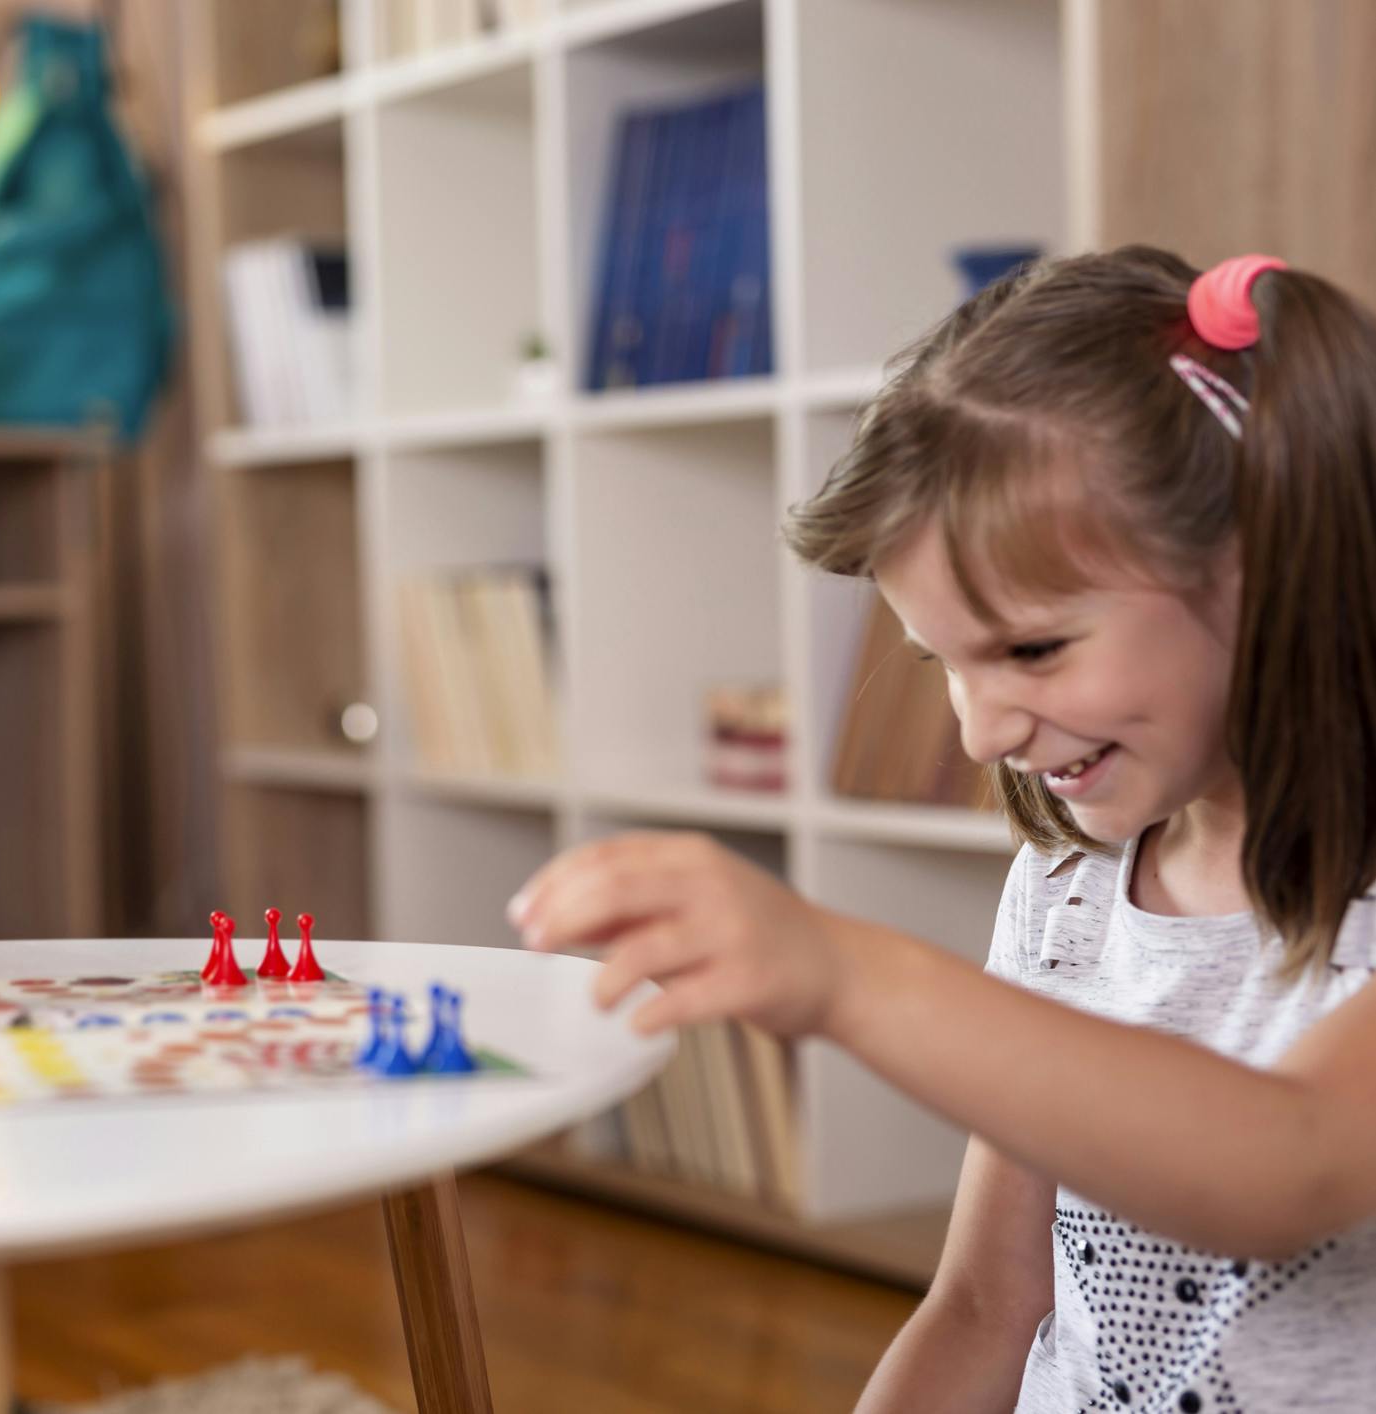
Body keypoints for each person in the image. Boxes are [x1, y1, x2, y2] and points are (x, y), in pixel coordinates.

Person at [510, 247, 1376, 1411]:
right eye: (942, 665)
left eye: (1031, 648)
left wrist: (844, 973)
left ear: (1266, 564)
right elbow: (982, 1304)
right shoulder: (1066, 893)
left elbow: (1292, 1161)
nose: (978, 733)